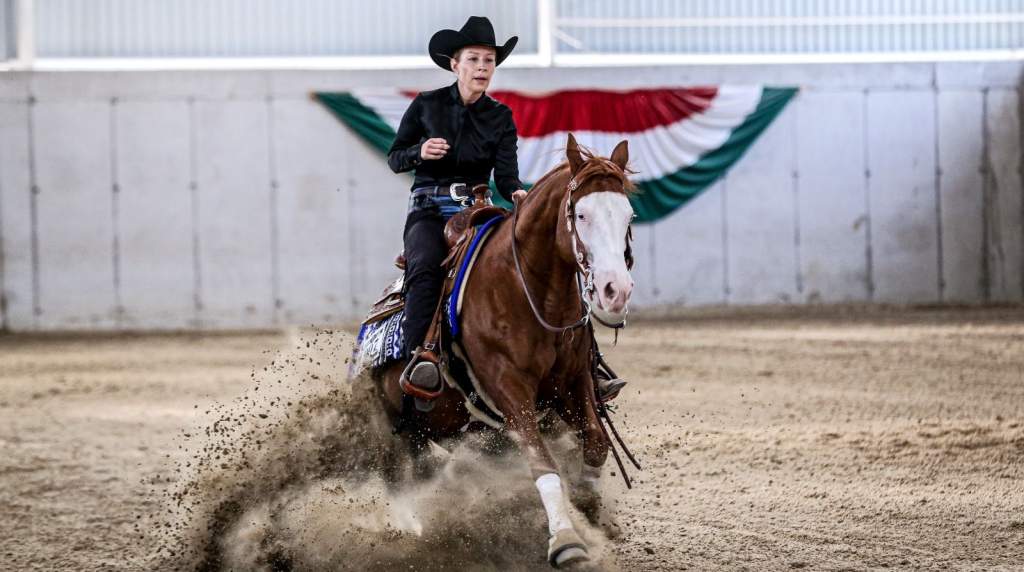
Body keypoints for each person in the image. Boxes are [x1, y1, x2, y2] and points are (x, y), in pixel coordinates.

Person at [388, 16, 626, 402]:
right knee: (426, 265)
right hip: (429, 211)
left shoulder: (500, 117)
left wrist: (517, 193)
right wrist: (419, 152)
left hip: (479, 211)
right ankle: (422, 355)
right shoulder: (425, 106)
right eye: (474, 59)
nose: (482, 68)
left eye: (489, 61)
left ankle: (585, 364)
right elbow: (395, 157)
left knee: (542, 266)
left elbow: (507, 177)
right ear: (455, 64)